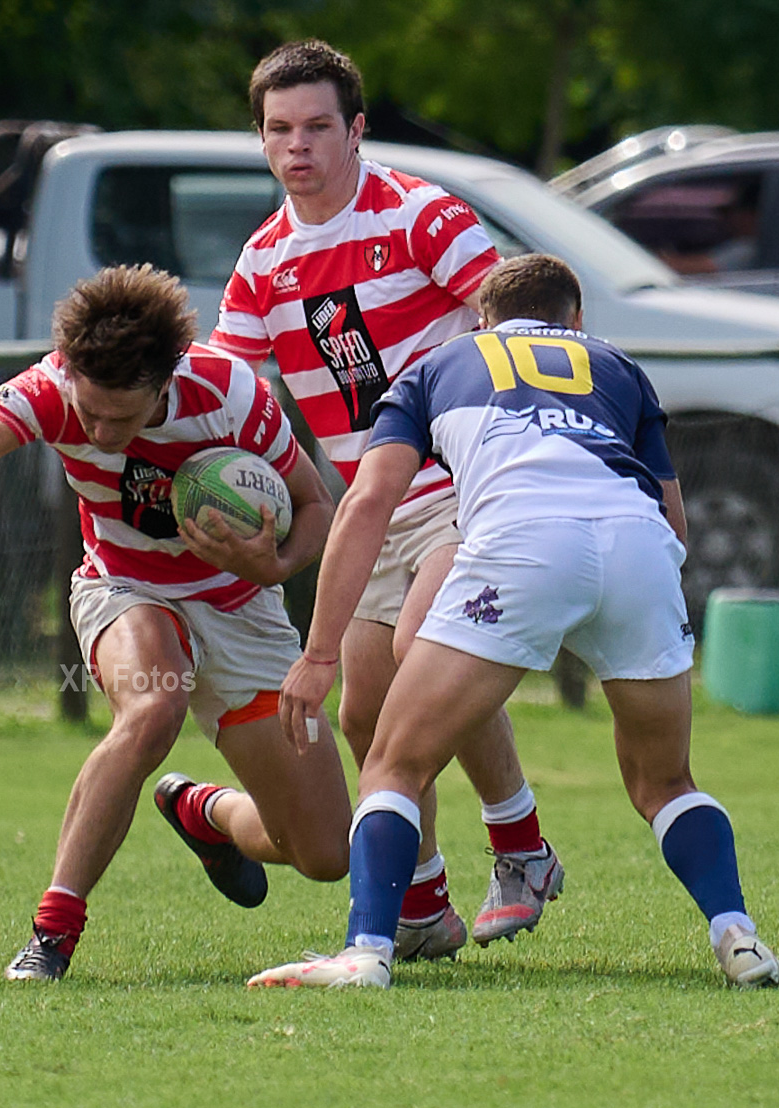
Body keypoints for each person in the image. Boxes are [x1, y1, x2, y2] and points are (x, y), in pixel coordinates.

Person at [250, 254, 779, 989]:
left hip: (524, 541)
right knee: (664, 781)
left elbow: (368, 502)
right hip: (637, 545)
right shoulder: (617, 367)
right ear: (574, 321)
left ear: (483, 320)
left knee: (395, 761)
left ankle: (367, 950)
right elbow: (675, 519)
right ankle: (739, 938)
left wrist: (318, 653)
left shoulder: (440, 363)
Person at [0, 264, 351, 981]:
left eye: (124, 418)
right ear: (71, 371)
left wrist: (276, 563)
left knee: (325, 852)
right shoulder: (49, 390)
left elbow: (316, 501)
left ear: (166, 381)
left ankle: (204, 810)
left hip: (239, 601)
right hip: (125, 584)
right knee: (154, 705)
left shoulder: (231, 395)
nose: (103, 432)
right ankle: (53, 933)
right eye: (92, 412)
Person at [209, 40, 559, 960]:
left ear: (355, 129)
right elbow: (231, 396)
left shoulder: (422, 216)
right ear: (261, 140)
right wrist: (225, 496)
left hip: (461, 485)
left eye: (319, 126)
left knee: (422, 658)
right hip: (374, 507)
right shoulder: (261, 262)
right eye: (280, 130)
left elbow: (514, 328)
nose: (300, 147)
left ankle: (520, 846)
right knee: (366, 715)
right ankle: (424, 903)